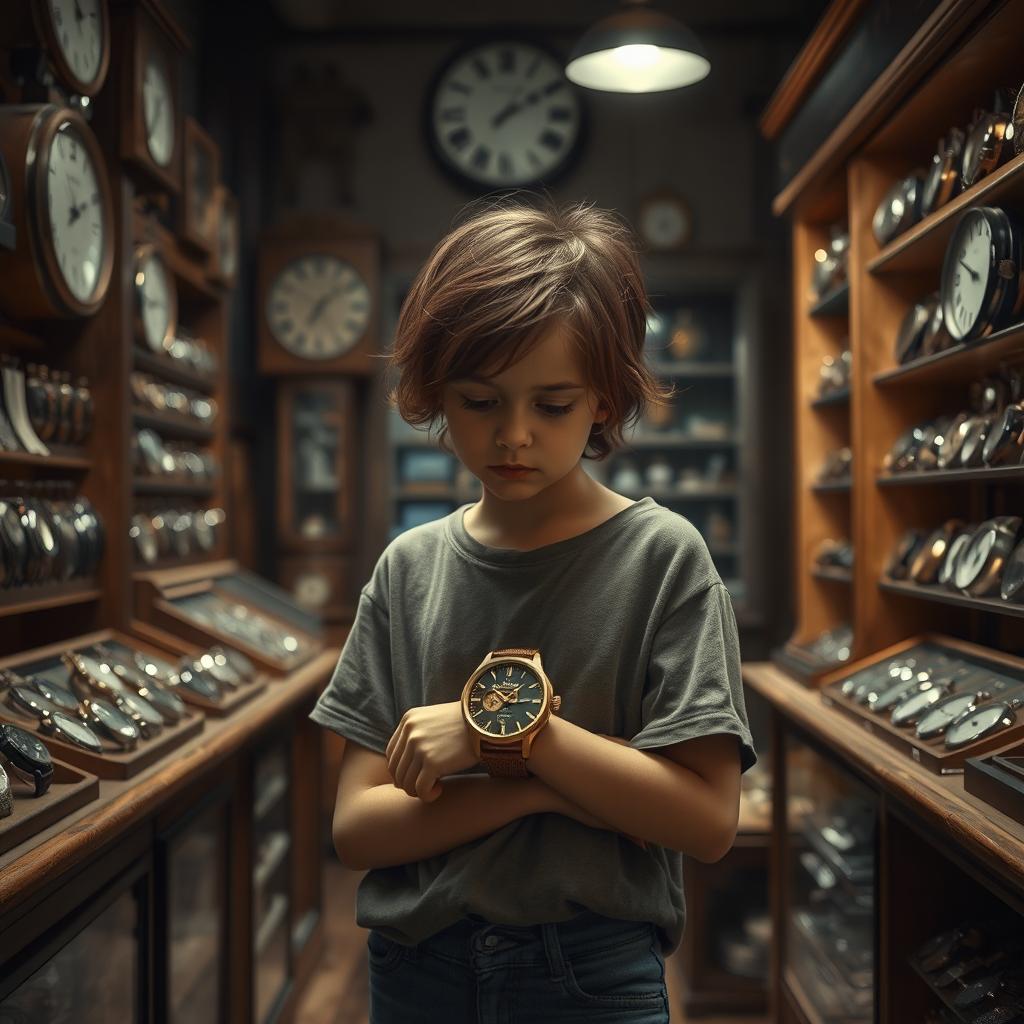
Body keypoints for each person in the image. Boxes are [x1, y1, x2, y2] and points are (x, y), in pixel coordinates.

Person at [309, 194, 757, 1024]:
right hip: (415, 968)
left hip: (589, 969)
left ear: (603, 400)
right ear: (438, 394)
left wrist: (502, 736)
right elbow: (357, 829)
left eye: (551, 405)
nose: (514, 436)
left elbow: (706, 819)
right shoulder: (408, 570)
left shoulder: (664, 558)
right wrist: (535, 791)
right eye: (481, 401)